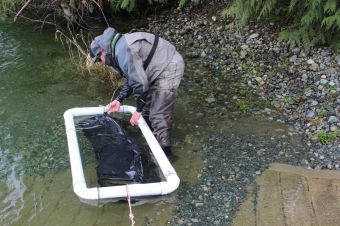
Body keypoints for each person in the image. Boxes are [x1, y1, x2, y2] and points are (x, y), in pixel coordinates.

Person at [89, 27, 185, 156]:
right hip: (154, 66)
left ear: (102, 52)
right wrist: (119, 99)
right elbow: (133, 78)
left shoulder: (123, 51)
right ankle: (150, 134)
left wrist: (138, 110)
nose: (100, 63)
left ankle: (165, 152)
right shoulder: (116, 48)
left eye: (98, 60)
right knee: (145, 108)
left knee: (158, 113)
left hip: (168, 65)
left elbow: (140, 84)